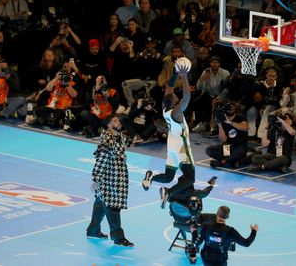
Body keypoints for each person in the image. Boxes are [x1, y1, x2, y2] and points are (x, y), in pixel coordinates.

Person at [142, 58, 195, 209]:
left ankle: (151, 177)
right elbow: (187, 97)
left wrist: (176, 73)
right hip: (181, 148)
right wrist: (184, 77)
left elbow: (169, 87)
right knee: (190, 179)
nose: (176, 95)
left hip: (171, 146)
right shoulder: (176, 112)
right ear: (173, 102)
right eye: (175, 97)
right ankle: (168, 192)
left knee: (168, 176)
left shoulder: (165, 108)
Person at [86, 114, 134, 247]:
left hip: (118, 177)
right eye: (114, 121)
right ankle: (118, 237)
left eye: (118, 120)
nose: (118, 122)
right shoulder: (107, 139)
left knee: (101, 202)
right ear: (108, 124)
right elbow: (101, 160)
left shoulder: (119, 136)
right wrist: (96, 179)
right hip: (109, 178)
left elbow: (130, 142)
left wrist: (125, 126)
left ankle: (93, 230)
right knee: (113, 206)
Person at [193, 205, 258, 266]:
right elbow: (246, 243)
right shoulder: (230, 231)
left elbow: (196, 243)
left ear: (217, 214)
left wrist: (194, 232)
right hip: (220, 260)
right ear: (227, 217)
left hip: (206, 259)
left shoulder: (206, 227)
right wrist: (254, 231)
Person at [206, 100, 248, 168]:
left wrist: (230, 122)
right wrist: (219, 125)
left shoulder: (240, 117)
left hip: (239, 145)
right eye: (229, 108)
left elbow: (244, 128)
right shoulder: (222, 119)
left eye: (232, 107)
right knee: (209, 150)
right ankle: (232, 160)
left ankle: (223, 162)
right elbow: (223, 139)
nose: (231, 109)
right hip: (228, 146)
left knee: (241, 151)